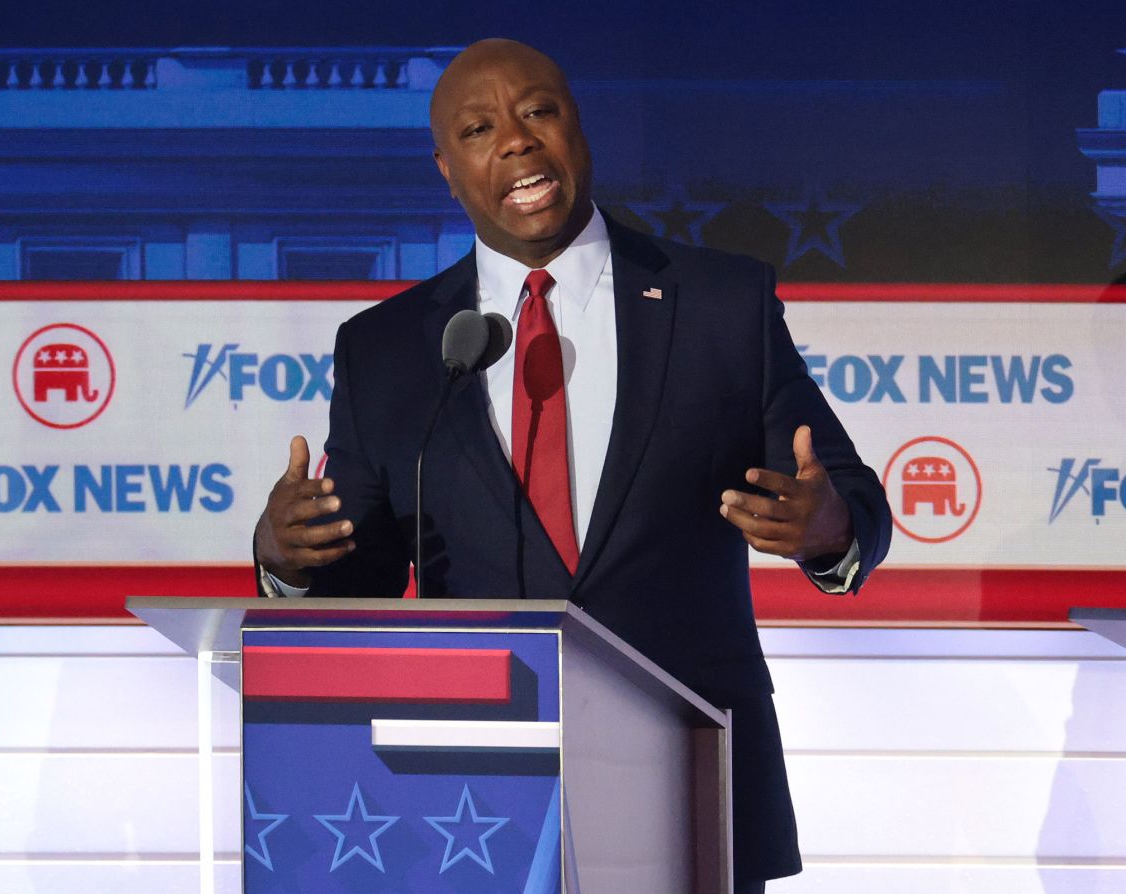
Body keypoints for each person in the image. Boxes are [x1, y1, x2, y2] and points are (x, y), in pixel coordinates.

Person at [253, 38, 892, 892]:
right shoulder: (386, 350)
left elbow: (848, 496)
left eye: (538, 112)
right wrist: (287, 561)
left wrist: (829, 526)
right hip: (471, 798)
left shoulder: (718, 303)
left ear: (577, 130)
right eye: (480, 129)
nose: (516, 140)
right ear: (448, 169)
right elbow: (356, 577)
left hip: (693, 776)